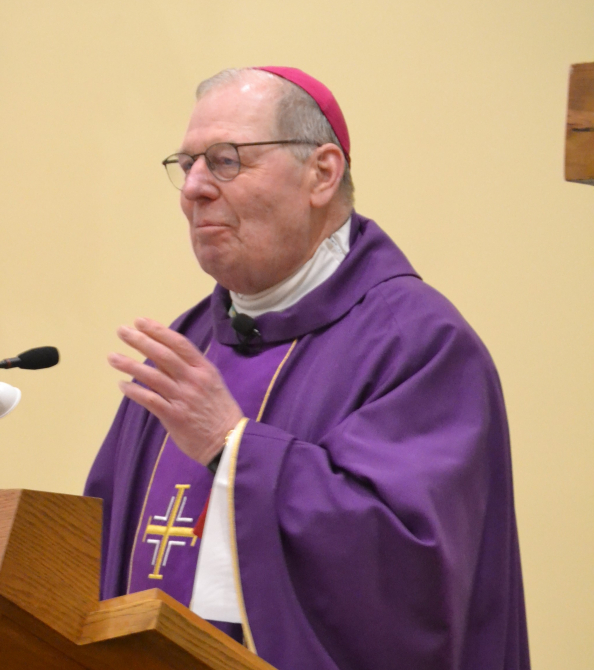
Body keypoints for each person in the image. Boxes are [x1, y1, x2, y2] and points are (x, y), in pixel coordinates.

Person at [84, 66, 530, 670]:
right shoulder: (187, 349)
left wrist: (233, 445)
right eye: (185, 164)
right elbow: (93, 556)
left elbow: (413, 572)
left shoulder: (418, 344)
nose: (193, 188)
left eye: (224, 160)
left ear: (322, 173)